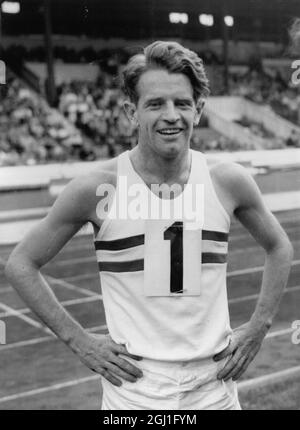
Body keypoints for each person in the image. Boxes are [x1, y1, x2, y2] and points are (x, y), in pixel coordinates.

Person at [5, 41, 293, 410]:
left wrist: (258, 327)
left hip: (215, 390)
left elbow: (279, 246)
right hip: (134, 395)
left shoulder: (228, 180)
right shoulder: (96, 188)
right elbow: (21, 264)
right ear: (131, 112)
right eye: (155, 104)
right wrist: (78, 340)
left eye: (182, 103)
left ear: (199, 110)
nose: (171, 115)